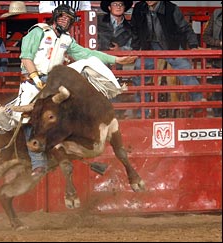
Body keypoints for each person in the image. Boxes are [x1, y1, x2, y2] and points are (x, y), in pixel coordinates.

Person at [9, 4, 137, 176]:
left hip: (54, 83)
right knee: (27, 117)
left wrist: (116, 59)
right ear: (55, 17)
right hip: (32, 83)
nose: (65, 20)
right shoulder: (38, 31)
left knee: (75, 98)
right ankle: (37, 163)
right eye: (62, 16)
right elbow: (26, 57)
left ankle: (79, 139)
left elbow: (87, 54)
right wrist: (36, 78)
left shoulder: (66, 39)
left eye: (68, 18)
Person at [130, 1, 204, 118]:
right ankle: (142, 111)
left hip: (170, 45)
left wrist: (193, 45)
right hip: (148, 47)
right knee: (139, 72)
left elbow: (185, 28)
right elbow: (134, 29)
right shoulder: (139, 8)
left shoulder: (171, 8)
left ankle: (199, 101)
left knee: (186, 69)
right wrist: (134, 49)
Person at [97, 1, 133, 119]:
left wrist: (120, 49)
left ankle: (114, 116)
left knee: (115, 84)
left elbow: (132, 45)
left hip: (118, 62)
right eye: (115, 4)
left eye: (121, 4)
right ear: (109, 7)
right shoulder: (98, 21)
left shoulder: (129, 27)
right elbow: (92, 39)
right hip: (99, 60)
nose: (118, 7)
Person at [202, 7, 222, 117]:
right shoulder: (217, 14)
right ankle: (217, 123)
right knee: (217, 94)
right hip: (218, 61)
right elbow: (205, 36)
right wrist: (219, 43)